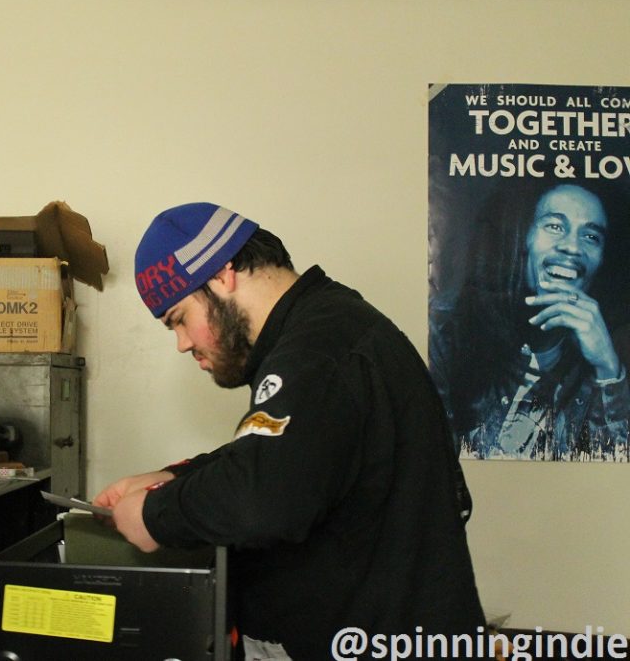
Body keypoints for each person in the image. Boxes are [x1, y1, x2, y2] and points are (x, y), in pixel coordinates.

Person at [94, 202, 485, 661]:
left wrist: (154, 514)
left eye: (179, 318)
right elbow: (283, 453)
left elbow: (263, 498)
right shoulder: (326, 329)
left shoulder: (317, 351)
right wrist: (175, 475)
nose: (183, 343)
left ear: (221, 274)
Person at [430, 182, 630, 460]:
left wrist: (608, 370)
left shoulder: (611, 356)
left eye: (591, 237)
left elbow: (611, 477)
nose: (572, 247)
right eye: (554, 226)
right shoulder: (447, 328)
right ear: (521, 238)